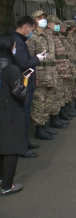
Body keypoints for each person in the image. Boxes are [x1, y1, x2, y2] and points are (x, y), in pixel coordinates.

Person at [0, 34, 30, 196]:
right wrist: (25, 81)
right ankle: (7, 185)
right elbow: (20, 93)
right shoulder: (11, 69)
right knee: (11, 148)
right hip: (9, 111)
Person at [11, 16, 44, 157]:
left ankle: (24, 142)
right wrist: (38, 59)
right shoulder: (17, 42)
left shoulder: (20, 40)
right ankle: (21, 147)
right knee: (22, 116)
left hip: (26, 83)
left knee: (25, 114)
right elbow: (23, 63)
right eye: (31, 29)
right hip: (21, 84)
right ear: (25, 27)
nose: (31, 32)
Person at [27, 10, 58, 139]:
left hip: (51, 73)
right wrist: (35, 77)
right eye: (40, 17)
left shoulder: (48, 35)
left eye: (44, 17)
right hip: (40, 73)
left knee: (48, 101)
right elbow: (29, 60)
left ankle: (44, 126)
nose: (43, 19)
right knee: (39, 102)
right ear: (34, 20)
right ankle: (39, 129)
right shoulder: (32, 37)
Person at [45, 15, 71, 129]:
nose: (58, 26)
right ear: (49, 24)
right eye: (55, 24)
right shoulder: (48, 35)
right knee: (55, 95)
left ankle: (60, 114)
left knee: (61, 93)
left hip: (63, 69)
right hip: (55, 69)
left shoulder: (58, 35)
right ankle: (54, 118)